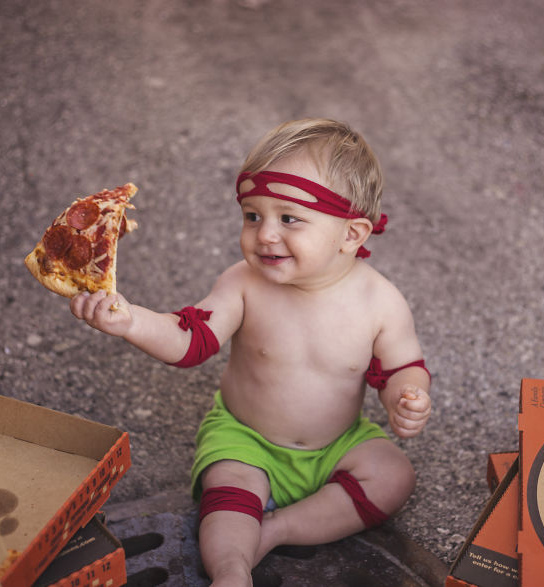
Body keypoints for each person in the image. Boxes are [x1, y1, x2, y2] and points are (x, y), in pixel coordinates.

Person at [70, 118, 432, 586]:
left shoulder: (379, 302)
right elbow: (189, 340)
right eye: (252, 216)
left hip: (336, 444)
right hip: (246, 438)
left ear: (351, 234)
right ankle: (232, 571)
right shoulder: (243, 283)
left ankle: (278, 530)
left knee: (394, 475)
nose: (265, 234)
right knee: (228, 493)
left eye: (289, 219)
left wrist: (408, 397)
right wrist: (131, 320)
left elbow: (402, 367)